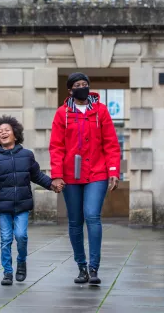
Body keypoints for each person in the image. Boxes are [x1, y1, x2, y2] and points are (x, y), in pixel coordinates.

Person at [49, 72, 120, 285]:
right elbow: (56, 147)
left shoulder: (101, 111)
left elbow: (111, 144)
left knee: (92, 215)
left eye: (85, 84)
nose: (82, 87)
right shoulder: (62, 114)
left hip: (96, 172)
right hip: (70, 175)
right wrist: (56, 175)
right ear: (70, 90)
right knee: (75, 221)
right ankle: (81, 266)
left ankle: (94, 267)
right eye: (78, 85)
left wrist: (114, 170)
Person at [0, 116, 63, 286]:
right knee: (5, 239)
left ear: (16, 135)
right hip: (3, 207)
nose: (3, 133)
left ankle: (21, 261)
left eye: (7, 130)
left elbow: (37, 176)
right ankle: (7, 272)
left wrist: (51, 184)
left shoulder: (27, 155)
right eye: (0, 132)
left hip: (22, 205)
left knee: (21, 236)